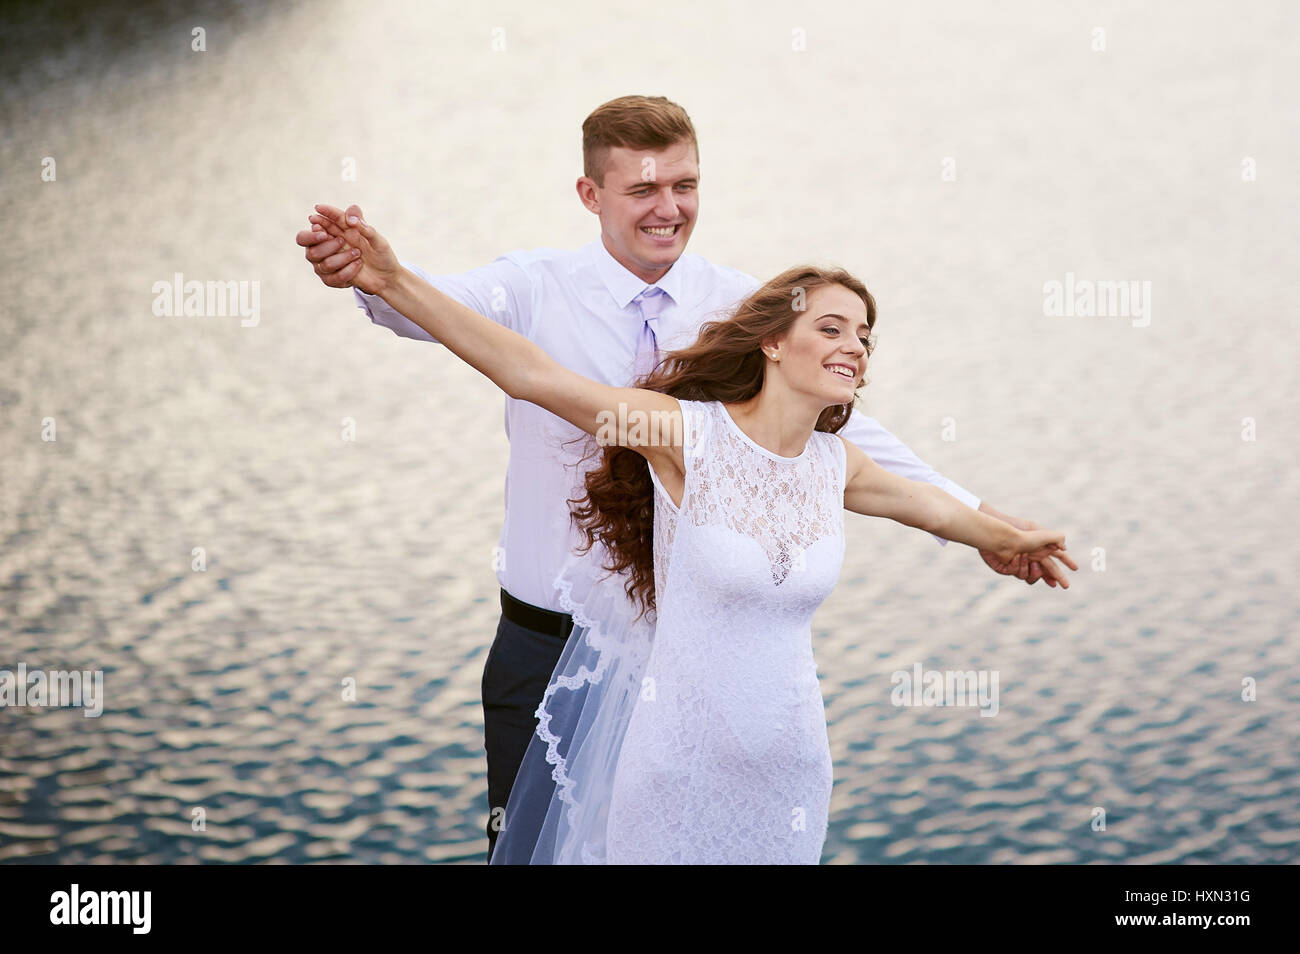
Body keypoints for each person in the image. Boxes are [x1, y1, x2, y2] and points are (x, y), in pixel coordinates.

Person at [296, 95, 1069, 861]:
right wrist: (383, 279)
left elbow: (843, 441)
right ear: (590, 194)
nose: (669, 209)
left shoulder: (745, 307)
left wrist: (988, 524)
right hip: (546, 644)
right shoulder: (534, 287)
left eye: (685, 185)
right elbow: (493, 348)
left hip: (688, 659)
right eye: (644, 189)